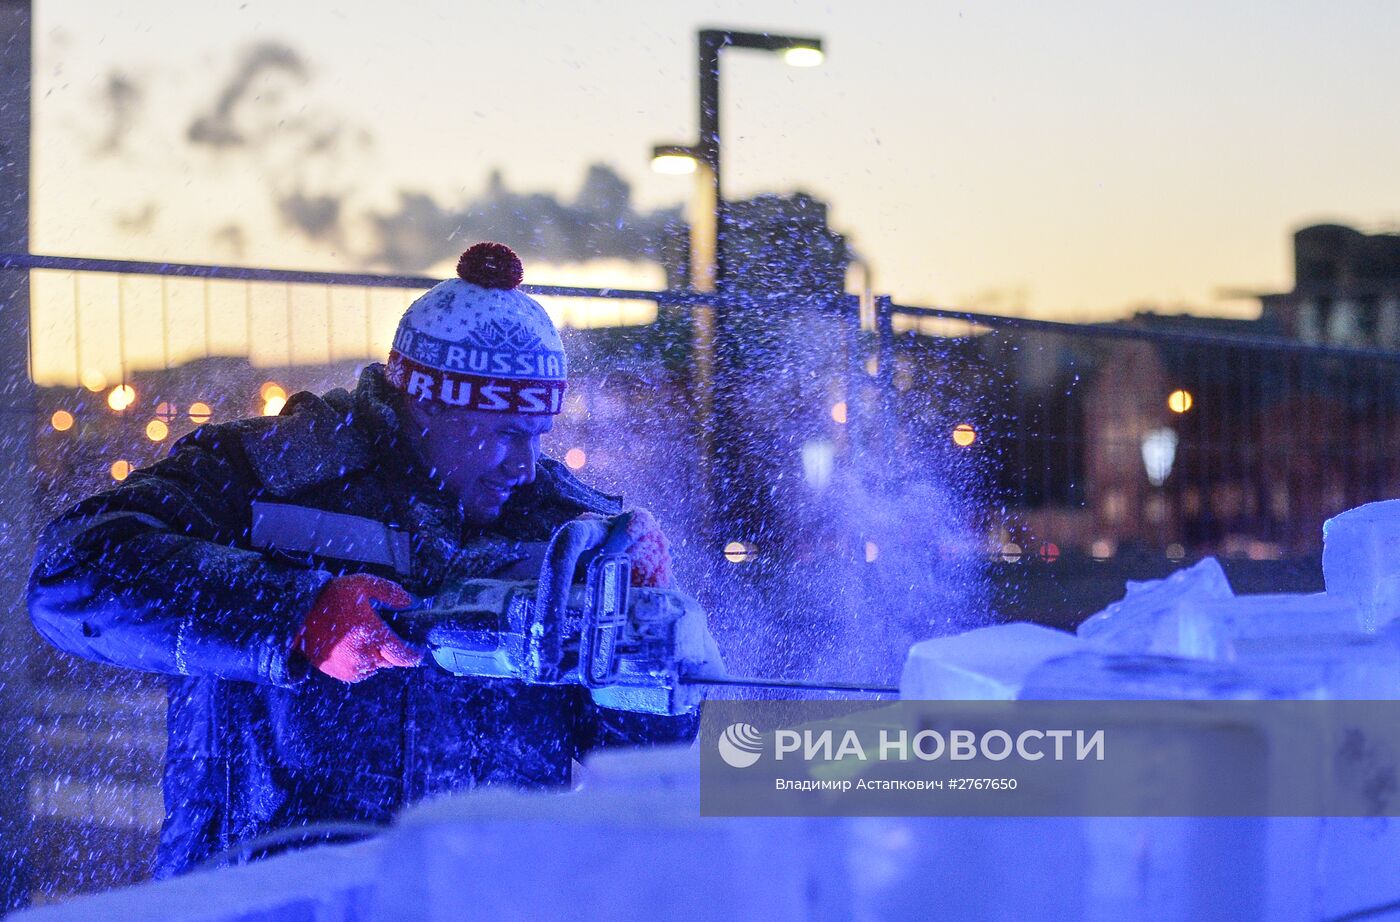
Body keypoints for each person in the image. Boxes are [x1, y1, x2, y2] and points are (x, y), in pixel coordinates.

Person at [27, 242, 722, 878]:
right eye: (502, 431)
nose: (524, 463)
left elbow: (641, 767)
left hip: (480, 897)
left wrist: (656, 656)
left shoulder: (567, 529)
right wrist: (296, 614)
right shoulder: (268, 472)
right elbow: (70, 570)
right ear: (423, 403)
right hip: (268, 897)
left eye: (538, 433)